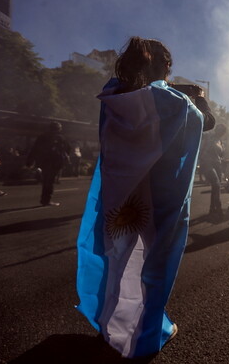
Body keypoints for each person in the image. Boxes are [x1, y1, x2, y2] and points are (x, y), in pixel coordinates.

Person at [76, 37, 208, 359]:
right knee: (156, 265)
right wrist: (199, 99)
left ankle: (111, 327)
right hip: (162, 195)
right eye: (168, 65)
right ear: (162, 65)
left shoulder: (112, 95)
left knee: (117, 257)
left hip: (121, 195)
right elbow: (202, 122)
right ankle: (147, 337)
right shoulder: (172, 101)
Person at [26, 122, 70, 206]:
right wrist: (64, 160)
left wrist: (30, 161)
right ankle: (46, 200)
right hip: (54, 162)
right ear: (59, 129)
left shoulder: (42, 137)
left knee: (46, 180)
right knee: (50, 181)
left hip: (43, 162)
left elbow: (34, 149)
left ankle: (44, 199)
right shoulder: (61, 138)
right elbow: (67, 149)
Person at [199, 123, 227, 217]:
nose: (219, 130)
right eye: (218, 128)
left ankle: (212, 209)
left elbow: (221, 155)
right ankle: (218, 208)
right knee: (216, 184)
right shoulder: (208, 135)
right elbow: (200, 134)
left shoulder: (221, 142)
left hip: (217, 165)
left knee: (215, 187)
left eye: (222, 129)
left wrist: (225, 160)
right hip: (206, 163)